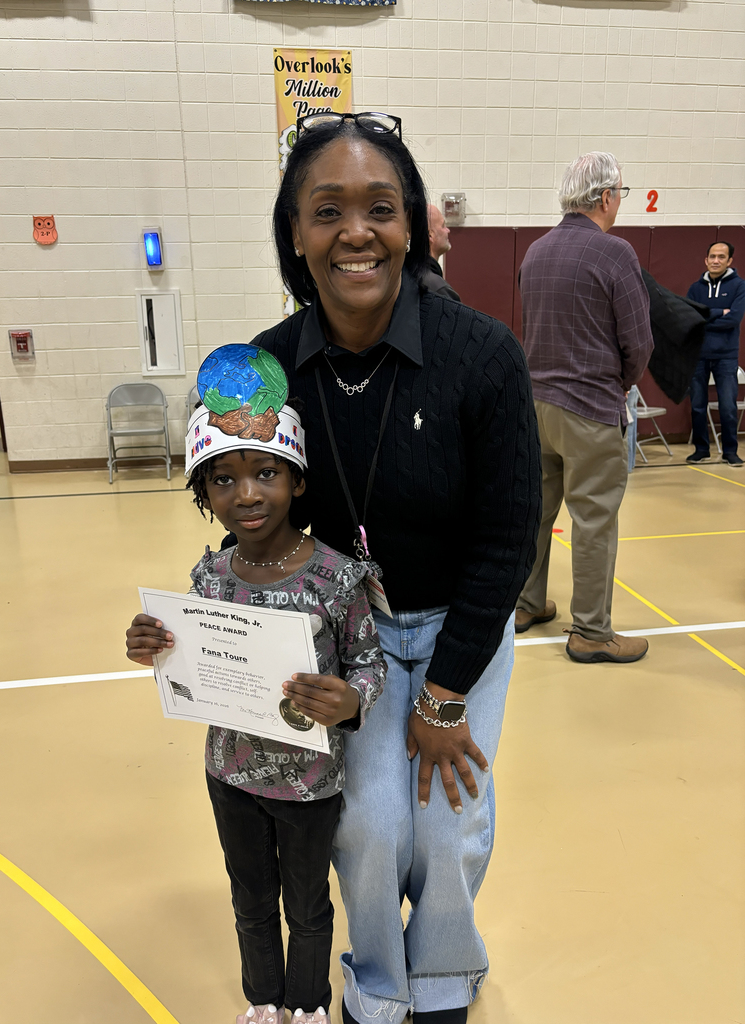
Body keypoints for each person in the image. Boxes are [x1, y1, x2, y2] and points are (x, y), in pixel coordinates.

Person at [251, 111, 541, 1024]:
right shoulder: (263, 370)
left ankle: (447, 977)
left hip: (462, 626)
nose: (355, 232)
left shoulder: (482, 356)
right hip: (349, 636)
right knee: (370, 826)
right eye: (325, 210)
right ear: (295, 233)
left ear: (410, 224)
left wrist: (444, 693)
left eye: (379, 207)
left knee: (450, 825)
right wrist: (213, 630)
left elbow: (508, 542)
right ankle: (376, 985)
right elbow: (242, 520)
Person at [126, 344, 387, 1024]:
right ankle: (263, 1000)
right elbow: (188, 661)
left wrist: (353, 698)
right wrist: (153, 645)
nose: (246, 495)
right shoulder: (209, 579)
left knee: (306, 904)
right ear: (203, 493)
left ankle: (307, 1004)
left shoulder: (335, 576)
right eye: (222, 481)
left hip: (308, 785)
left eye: (266, 473)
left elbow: (369, 662)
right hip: (230, 776)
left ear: (297, 481)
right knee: (250, 901)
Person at [515, 151, 653, 664]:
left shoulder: (535, 252)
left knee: (537, 511)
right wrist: (622, 383)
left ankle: (526, 603)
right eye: (621, 193)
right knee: (593, 520)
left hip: (537, 406)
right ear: (605, 196)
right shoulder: (615, 253)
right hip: (591, 407)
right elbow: (639, 342)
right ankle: (592, 632)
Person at [686, 241, 745, 467]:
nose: (716, 261)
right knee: (697, 405)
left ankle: (730, 451)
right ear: (706, 259)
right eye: (712, 256)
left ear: (729, 261)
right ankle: (701, 450)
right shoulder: (695, 288)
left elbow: (734, 319)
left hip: (726, 356)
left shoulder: (739, 286)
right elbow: (690, 317)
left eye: (721, 257)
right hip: (698, 355)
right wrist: (721, 312)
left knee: (728, 406)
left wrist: (705, 319)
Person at [419, 203, 461, 300]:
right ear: (430, 235)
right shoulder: (438, 289)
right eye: (443, 225)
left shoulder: (402, 278)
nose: (448, 230)